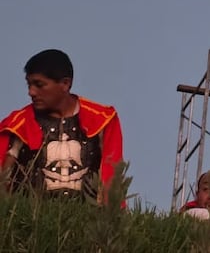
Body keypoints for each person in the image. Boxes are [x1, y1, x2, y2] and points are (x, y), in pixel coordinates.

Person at [0, 49, 124, 200]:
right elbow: (3, 180)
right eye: (29, 84)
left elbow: (112, 176)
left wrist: (112, 211)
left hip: (89, 214)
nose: (31, 92)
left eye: (39, 85)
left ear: (65, 84)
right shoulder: (18, 123)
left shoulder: (101, 119)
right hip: (29, 214)